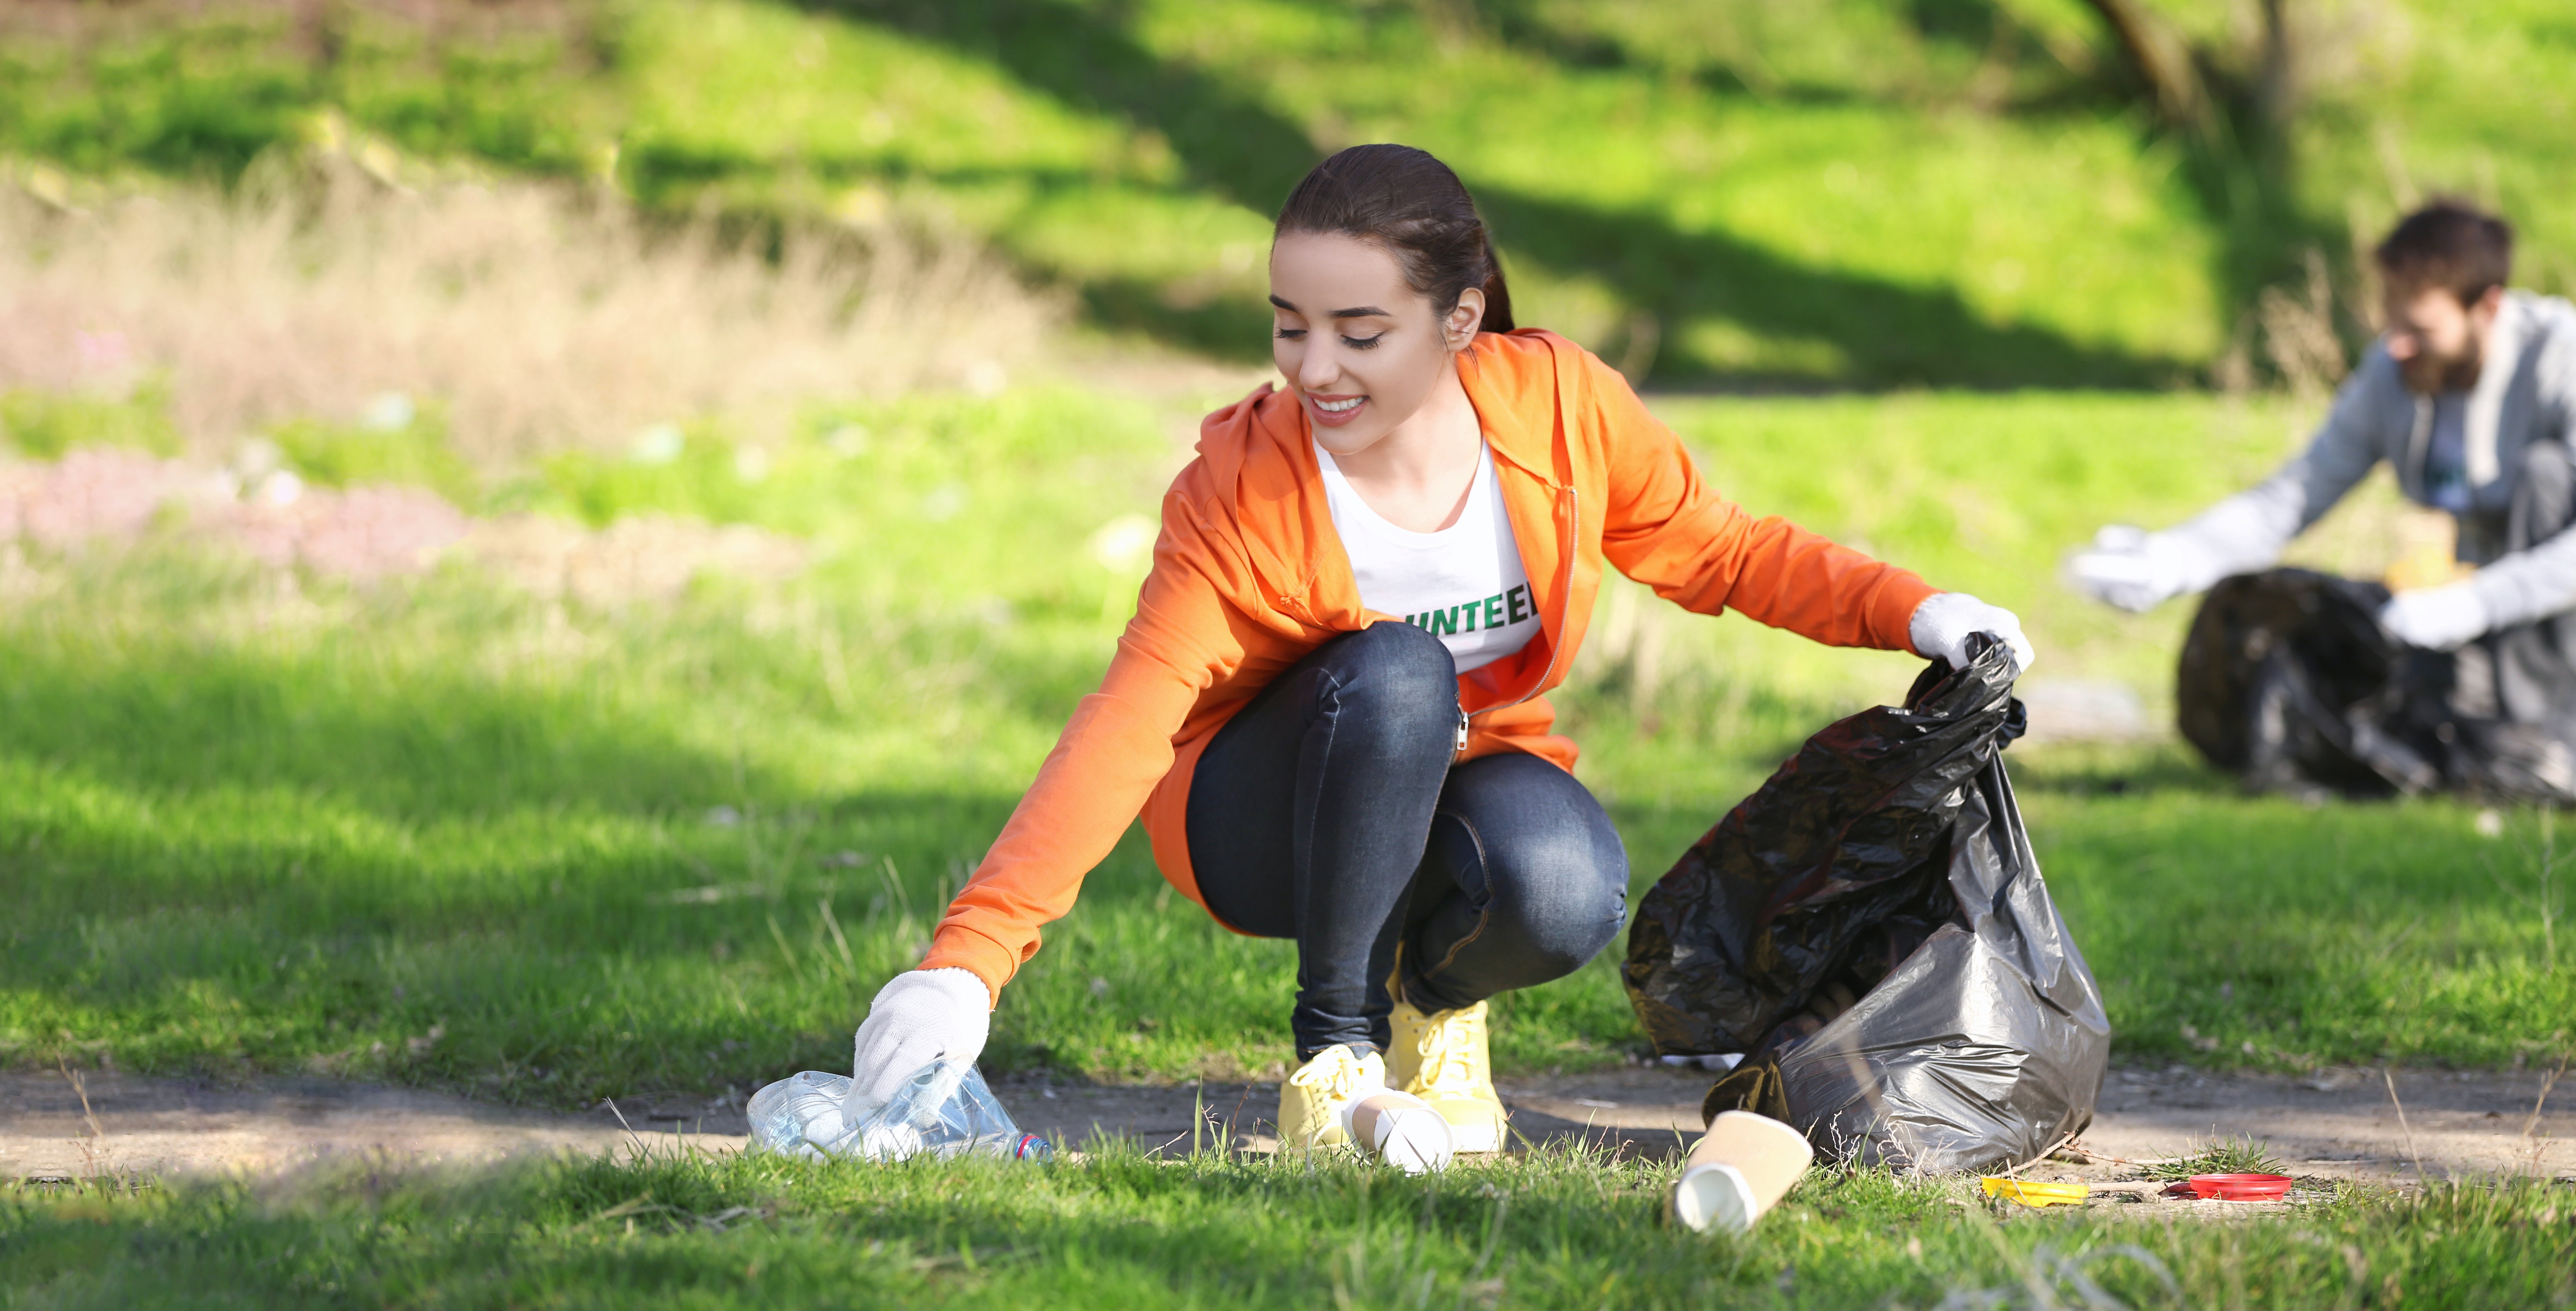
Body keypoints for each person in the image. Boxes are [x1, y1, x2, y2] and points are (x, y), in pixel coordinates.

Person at [848, 144, 2033, 1159]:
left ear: (1459, 319)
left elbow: (1719, 551)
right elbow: (1131, 720)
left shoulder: (1560, 409)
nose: (1314, 368)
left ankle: (1435, 1000)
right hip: (1258, 822)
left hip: (1445, 794)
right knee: (1398, 668)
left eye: (1360, 332)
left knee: (1567, 886)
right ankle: (1337, 1056)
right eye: (1290, 326)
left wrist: (1917, 611)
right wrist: (968, 963)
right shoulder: (1244, 489)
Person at [2067, 202, 2576, 737]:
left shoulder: (2560, 358)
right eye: (2389, 316)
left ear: (2487, 308)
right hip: (2480, 608)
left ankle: (2546, 736)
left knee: (2545, 476)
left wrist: (2477, 603)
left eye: (2420, 327)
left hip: (2543, 607)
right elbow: (2292, 496)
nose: (2396, 343)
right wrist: (2176, 558)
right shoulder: (2393, 374)